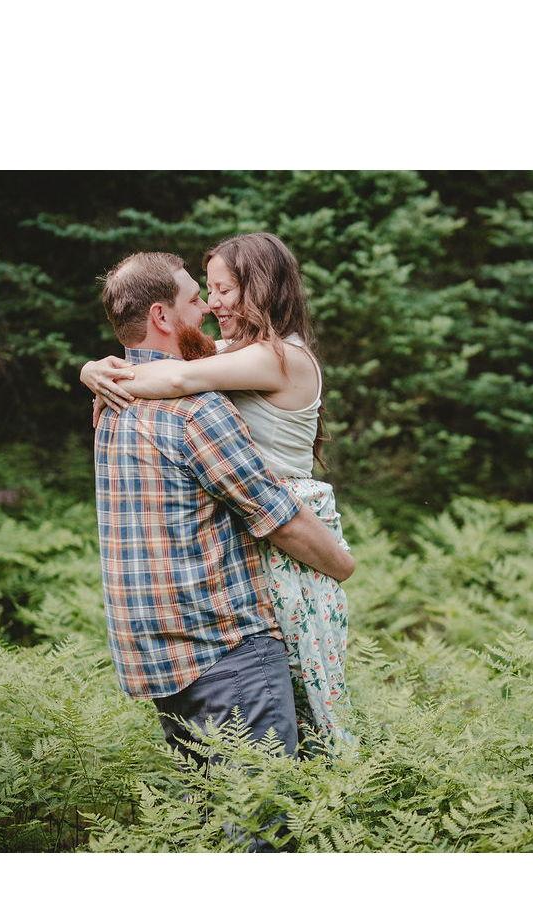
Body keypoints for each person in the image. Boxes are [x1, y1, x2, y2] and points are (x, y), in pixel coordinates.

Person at [91, 250, 354, 844]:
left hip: (157, 650)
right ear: (162, 315)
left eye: (218, 291)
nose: (208, 306)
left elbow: (181, 369)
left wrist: (96, 370)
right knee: (259, 824)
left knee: (214, 818)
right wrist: (344, 563)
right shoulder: (194, 410)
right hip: (228, 636)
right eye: (197, 295)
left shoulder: (110, 408)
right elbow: (275, 515)